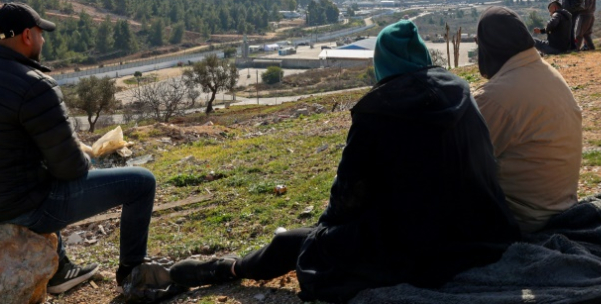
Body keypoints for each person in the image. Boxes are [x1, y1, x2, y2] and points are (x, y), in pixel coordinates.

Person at [167, 20, 520, 303]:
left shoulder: (376, 111)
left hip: (422, 250)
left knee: (298, 245)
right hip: (485, 234)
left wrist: (324, 234)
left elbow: (348, 197)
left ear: (383, 62)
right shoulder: (460, 91)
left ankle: (223, 269)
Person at [0, 2, 156, 294]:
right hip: (18, 208)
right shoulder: (35, 85)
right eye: (41, 34)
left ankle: (61, 267)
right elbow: (72, 170)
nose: (43, 40)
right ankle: (133, 274)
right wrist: (84, 153)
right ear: (28, 36)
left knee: (38, 167)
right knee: (142, 182)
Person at [474, 6, 582, 233]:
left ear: (489, 46)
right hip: (564, 209)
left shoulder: (495, 97)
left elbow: (462, 164)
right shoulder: (548, 74)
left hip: (524, 223)